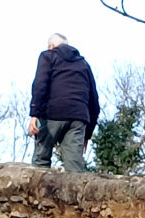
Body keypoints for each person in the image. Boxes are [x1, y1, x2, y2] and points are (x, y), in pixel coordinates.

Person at [28, 33, 99, 172]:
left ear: (51, 46)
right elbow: (94, 101)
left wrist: (34, 114)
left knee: (41, 159)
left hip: (53, 113)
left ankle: (40, 192)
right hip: (78, 117)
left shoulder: (48, 56)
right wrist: (87, 134)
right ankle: (78, 193)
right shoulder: (83, 64)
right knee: (75, 166)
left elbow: (40, 85)